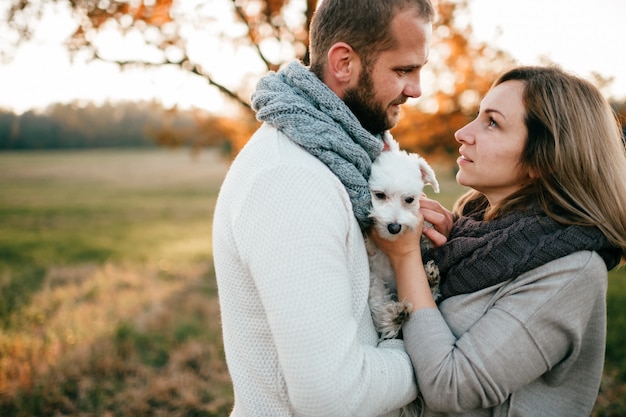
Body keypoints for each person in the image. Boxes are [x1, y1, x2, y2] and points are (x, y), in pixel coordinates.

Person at [212, 0, 439, 415]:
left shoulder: (352, 160)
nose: (416, 89)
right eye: (404, 70)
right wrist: (442, 356)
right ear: (343, 63)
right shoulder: (290, 179)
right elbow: (331, 396)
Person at [372, 65, 626, 416]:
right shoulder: (472, 234)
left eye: (492, 122)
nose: (463, 133)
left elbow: (452, 387)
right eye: (478, 116)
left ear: (544, 159)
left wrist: (406, 260)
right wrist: (435, 252)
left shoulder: (572, 269)